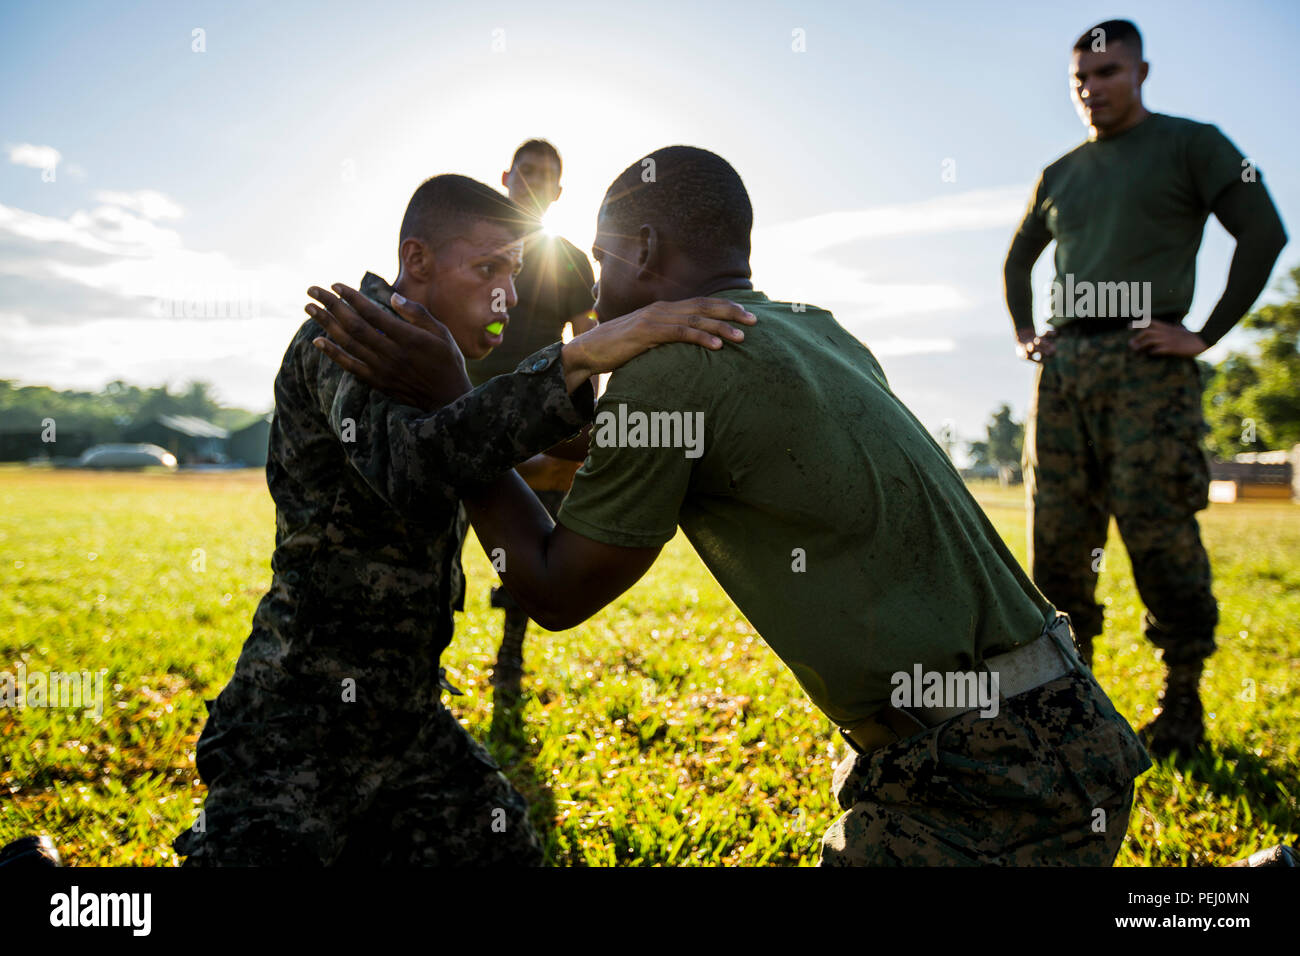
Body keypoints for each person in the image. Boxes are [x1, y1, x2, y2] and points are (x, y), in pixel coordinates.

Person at [311, 146, 1153, 866]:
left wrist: (457, 413)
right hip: (1068, 724)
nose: (594, 283)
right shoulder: (815, 330)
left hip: (983, 781)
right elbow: (627, 440)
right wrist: (502, 407)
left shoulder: (672, 370)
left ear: (642, 247)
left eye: (604, 259)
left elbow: (553, 590)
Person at [171, 172, 755, 866]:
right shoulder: (348, 335)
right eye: (486, 269)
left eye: (512, 269)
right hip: (300, 723)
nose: (505, 292)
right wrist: (581, 355)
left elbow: (488, 436)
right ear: (418, 261)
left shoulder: (426, 362)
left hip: (405, 724)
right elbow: (419, 469)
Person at [1003, 19, 1288, 757]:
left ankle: (1182, 703)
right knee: (1058, 542)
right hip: (1064, 376)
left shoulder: (1195, 144)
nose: (1093, 90)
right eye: (1080, 80)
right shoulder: (1060, 172)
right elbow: (1017, 262)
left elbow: (1263, 233)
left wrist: (1207, 334)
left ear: (1142, 73)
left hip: (1147, 364)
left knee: (1159, 531)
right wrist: (1027, 335)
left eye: (1109, 74)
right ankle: (1072, 709)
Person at [469, 139, 598, 703]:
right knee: (437, 531)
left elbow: (589, 340)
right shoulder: (472, 250)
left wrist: (580, 427)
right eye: (527, 172)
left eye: (548, 176)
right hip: (463, 404)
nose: (536, 182)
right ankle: (425, 652)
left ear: (559, 191)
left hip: (538, 416)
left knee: (525, 540)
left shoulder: (569, 258)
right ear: (506, 176)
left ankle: (509, 657)